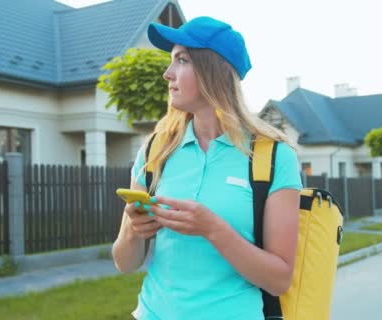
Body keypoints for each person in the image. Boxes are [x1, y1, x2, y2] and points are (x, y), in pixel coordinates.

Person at [111, 16, 302, 320]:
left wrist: (212, 229)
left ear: (215, 71)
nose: (167, 73)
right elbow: (124, 262)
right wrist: (134, 232)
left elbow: (279, 280)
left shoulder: (273, 156)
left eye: (181, 60)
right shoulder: (155, 150)